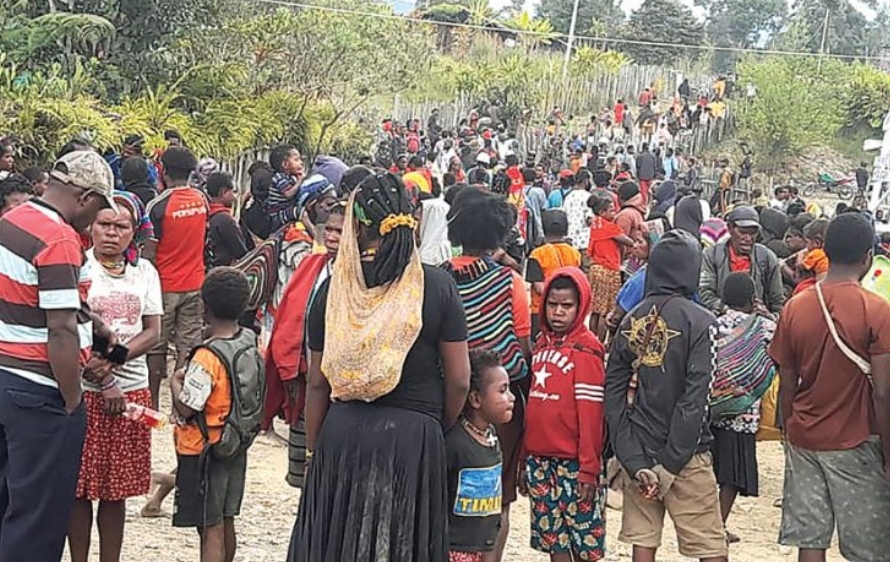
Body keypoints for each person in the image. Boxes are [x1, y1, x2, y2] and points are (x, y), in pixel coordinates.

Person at [288, 172, 471, 562]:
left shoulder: (333, 291)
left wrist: (315, 453)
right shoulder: (437, 286)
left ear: (356, 225)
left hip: (343, 434)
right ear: (410, 218)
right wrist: (435, 425)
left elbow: (317, 384)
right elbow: (459, 380)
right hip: (413, 440)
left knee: (338, 546)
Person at [0, 150, 117, 562]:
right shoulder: (59, 237)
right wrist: (71, 400)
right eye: (100, 207)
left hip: (5, 378)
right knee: (38, 520)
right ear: (85, 197)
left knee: (9, 506)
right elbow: (60, 329)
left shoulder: (11, 221)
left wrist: (91, 324)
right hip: (40, 390)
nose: (96, 219)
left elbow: (32, 298)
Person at [770, 212, 890, 562]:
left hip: (805, 434)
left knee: (811, 538)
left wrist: (788, 427)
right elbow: (882, 392)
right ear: (868, 257)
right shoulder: (878, 311)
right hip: (856, 438)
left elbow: (787, 380)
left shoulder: (795, 307)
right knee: (867, 545)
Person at [606, 230, 728, 562]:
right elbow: (696, 400)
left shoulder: (632, 318)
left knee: (643, 544)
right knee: (710, 547)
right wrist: (671, 463)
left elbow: (613, 394)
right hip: (687, 455)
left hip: (639, 449)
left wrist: (632, 458)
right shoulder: (703, 322)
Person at [68, 193, 162, 562]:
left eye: (121, 226)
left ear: (133, 231)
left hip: (131, 391)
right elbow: (69, 323)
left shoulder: (145, 273)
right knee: (78, 487)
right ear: (91, 227)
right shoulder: (79, 267)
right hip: (82, 388)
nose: (111, 233)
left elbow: (152, 331)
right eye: (104, 224)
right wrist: (98, 372)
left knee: (115, 489)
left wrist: (114, 361)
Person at [446, 186, 531, 562]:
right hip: (497, 406)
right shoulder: (509, 281)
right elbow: (523, 346)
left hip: (446, 398)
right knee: (499, 495)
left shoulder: (438, 278)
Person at [170, 267, 260, 562]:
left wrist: (175, 382)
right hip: (236, 442)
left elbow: (188, 406)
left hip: (204, 449)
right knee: (226, 517)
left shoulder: (207, 356)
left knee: (209, 526)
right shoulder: (248, 341)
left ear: (204, 307)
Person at [523, 268, 608, 562]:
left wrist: (589, 467)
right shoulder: (540, 345)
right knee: (554, 542)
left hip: (575, 465)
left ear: (580, 306)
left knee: (584, 542)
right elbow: (531, 409)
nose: (558, 312)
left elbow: (591, 413)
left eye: (567, 306)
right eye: (552, 304)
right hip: (539, 461)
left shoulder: (588, 350)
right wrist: (525, 458)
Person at [263, 201, 345, 487]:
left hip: (341, 389)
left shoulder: (361, 279)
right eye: (330, 230)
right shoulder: (313, 265)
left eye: (341, 232)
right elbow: (290, 314)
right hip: (307, 381)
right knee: (302, 474)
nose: (332, 237)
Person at [709, 273, 776, 545]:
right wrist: (766, 312)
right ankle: (717, 527)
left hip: (712, 410)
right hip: (744, 412)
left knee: (711, 470)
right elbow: (778, 346)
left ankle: (710, 525)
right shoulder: (762, 326)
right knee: (733, 476)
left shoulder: (712, 324)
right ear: (752, 299)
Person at [145, 146, 206, 409]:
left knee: (156, 347)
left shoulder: (158, 206)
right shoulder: (201, 200)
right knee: (188, 345)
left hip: (164, 287)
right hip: (196, 283)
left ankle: (153, 405)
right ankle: (181, 406)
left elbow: (150, 250)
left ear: (164, 171)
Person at [446, 351, 515, 562]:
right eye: (503, 390)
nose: (511, 397)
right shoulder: (454, 442)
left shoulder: (491, 436)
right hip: (455, 550)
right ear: (476, 399)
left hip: (484, 546)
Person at [700, 206, 785, 317]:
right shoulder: (712, 255)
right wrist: (726, 310)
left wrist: (769, 316)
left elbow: (777, 301)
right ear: (730, 228)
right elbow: (704, 292)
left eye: (752, 233)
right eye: (743, 232)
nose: (748, 238)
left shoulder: (767, 257)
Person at [526, 210, 582, 337]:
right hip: (568, 309)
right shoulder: (575, 253)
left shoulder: (537, 254)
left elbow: (539, 288)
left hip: (542, 310)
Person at [587, 195, 634, 338]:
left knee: (595, 309)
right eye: (612, 211)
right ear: (602, 212)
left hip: (595, 268)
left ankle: (591, 337)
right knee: (605, 311)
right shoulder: (610, 227)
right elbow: (628, 241)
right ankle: (600, 342)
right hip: (608, 269)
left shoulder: (595, 224)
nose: (615, 214)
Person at [206, 171, 250, 268]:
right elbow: (241, 252)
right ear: (223, 192)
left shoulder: (208, 214)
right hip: (225, 270)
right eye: (233, 192)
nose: (234, 197)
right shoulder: (224, 219)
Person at [266, 146, 306, 231]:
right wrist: (300, 180)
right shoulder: (279, 177)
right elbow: (288, 194)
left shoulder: (290, 177)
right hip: (277, 216)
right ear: (285, 164)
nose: (301, 163)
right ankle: (316, 237)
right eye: (296, 160)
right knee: (299, 211)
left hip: (285, 211)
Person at [564, 170, 594, 271]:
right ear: (586, 181)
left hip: (570, 238)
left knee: (571, 269)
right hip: (584, 239)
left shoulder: (568, 196)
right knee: (585, 270)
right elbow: (589, 220)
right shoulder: (588, 197)